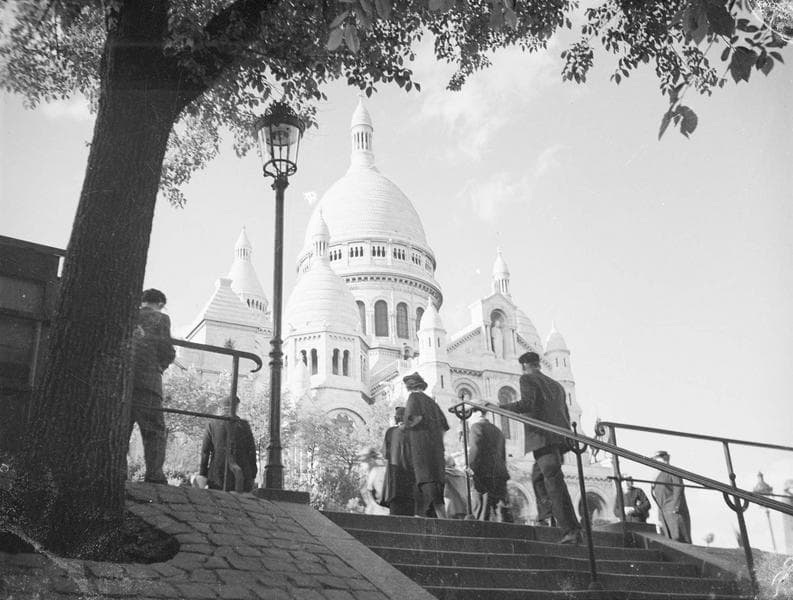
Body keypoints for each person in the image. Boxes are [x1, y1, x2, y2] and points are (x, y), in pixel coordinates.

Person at [496, 351, 582, 544]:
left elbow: (527, 404)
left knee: (554, 483)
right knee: (538, 477)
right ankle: (546, 515)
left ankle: (571, 529)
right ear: (538, 364)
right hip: (559, 440)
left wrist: (500, 408)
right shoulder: (557, 385)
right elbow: (565, 414)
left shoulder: (527, 379)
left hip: (543, 439)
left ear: (524, 366)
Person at [129, 288, 175, 484]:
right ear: (160, 304)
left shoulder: (130, 315)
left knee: (121, 430)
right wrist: (160, 366)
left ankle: (116, 473)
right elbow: (167, 350)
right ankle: (154, 476)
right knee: (154, 431)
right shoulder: (161, 318)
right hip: (148, 382)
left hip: (124, 382)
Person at [403, 372, 449, 518]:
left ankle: (445, 523)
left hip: (422, 453)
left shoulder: (413, 398)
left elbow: (414, 418)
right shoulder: (432, 403)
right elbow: (444, 427)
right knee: (437, 494)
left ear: (409, 387)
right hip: (437, 455)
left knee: (428, 492)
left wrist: (404, 427)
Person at [199, 395, 258, 491]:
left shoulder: (212, 424)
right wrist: (253, 473)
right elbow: (251, 451)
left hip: (217, 475)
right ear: (236, 407)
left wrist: (202, 473)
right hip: (241, 474)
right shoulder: (244, 425)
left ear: (222, 408)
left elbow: (205, 452)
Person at [468, 408, 513, 522]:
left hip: (483, 475)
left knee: (482, 512)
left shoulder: (476, 427)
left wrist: (470, 468)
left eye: (469, 414)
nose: (468, 418)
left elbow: (475, 449)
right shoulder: (498, 431)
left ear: (478, 413)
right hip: (500, 475)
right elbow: (502, 455)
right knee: (501, 512)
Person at [651, 450, 691, 543]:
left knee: (679, 538)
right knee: (670, 540)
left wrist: (675, 507)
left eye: (657, 459)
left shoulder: (672, 471)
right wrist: (659, 516)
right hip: (664, 512)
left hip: (674, 512)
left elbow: (678, 489)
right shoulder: (658, 475)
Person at [382, 407, 415, 516]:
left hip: (394, 482)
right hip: (410, 481)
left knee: (395, 515)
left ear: (397, 418)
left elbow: (385, 454)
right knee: (409, 515)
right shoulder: (414, 432)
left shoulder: (390, 432)